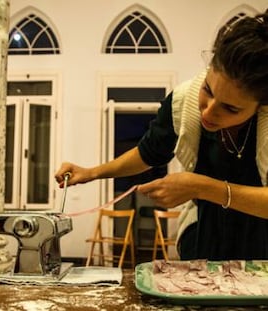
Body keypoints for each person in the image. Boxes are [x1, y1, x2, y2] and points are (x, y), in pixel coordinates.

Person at [55, 9, 268, 261]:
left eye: (230, 108)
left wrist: (201, 187)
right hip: (202, 246)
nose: (208, 111)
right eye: (207, 90)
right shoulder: (183, 101)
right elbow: (148, 153)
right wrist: (91, 173)